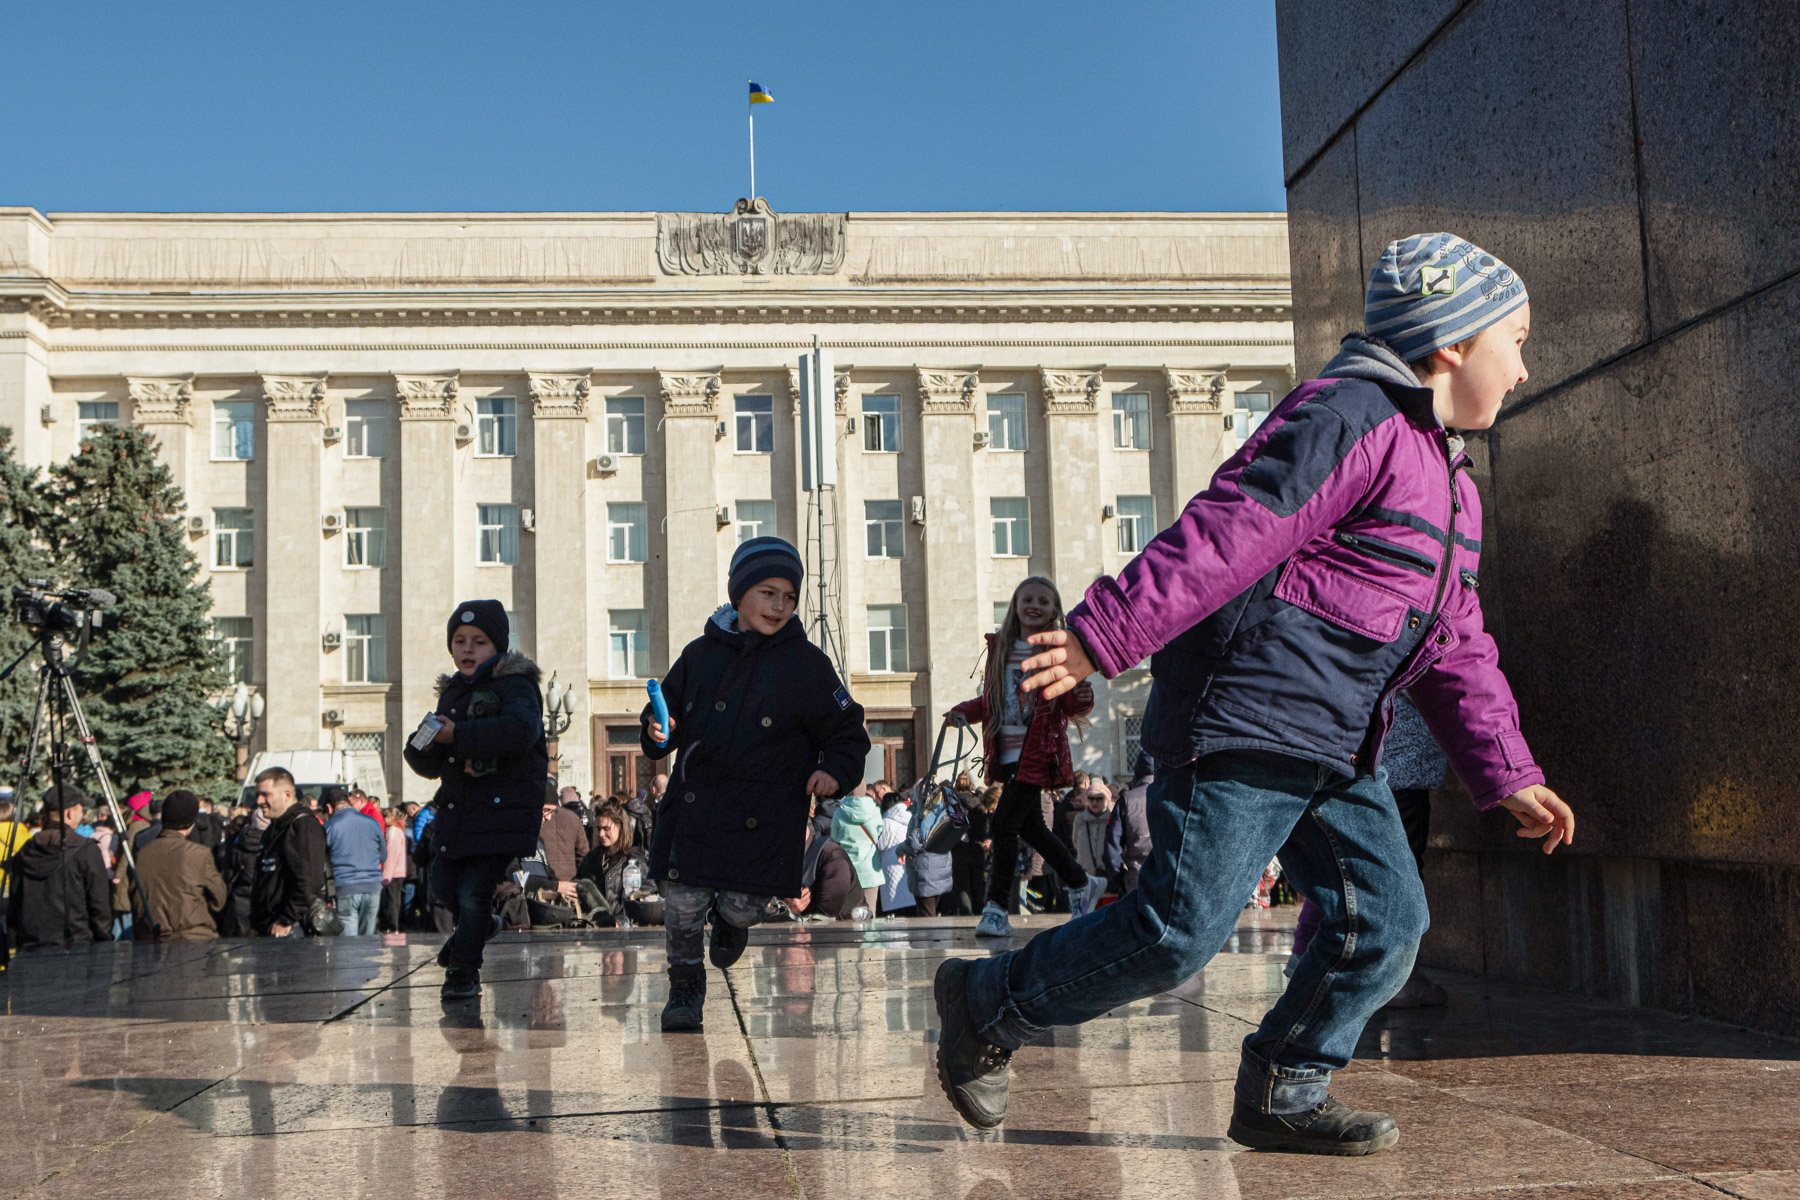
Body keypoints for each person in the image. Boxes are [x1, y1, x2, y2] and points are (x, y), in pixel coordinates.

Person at [931, 233, 1576, 1157]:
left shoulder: (1451, 487)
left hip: (1335, 744)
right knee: (1174, 934)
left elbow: (1456, 643)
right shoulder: (1348, 418)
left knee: (1387, 922)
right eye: (1516, 340)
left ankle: (1285, 1085)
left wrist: (1505, 769)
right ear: (1453, 341)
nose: (1524, 370)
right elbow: (1229, 532)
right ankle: (985, 1001)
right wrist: (1103, 633)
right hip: (1244, 720)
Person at [640, 536, 870, 1032]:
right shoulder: (699, 654)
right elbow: (667, 714)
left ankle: (730, 920)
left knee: (744, 908)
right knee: (680, 907)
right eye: (767, 592)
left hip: (763, 814)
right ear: (739, 592)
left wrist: (835, 770)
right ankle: (684, 987)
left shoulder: (806, 664)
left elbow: (849, 730)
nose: (778, 606)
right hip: (697, 809)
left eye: (788, 597)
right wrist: (658, 730)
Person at [403, 598, 547, 1000]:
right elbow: (430, 763)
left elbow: (520, 730)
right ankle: (480, 927)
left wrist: (457, 735)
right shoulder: (452, 693)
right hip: (458, 811)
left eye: (478, 641)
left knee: (474, 893)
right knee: (443, 887)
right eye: (460, 641)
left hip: (501, 812)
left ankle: (463, 972)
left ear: (497, 647)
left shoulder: (515, 685)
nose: (467, 650)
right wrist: (424, 742)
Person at [948, 577, 1104, 938]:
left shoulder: (1059, 652)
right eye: (1028, 599)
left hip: (1038, 753)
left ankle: (996, 908)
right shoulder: (1001, 648)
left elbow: (1069, 700)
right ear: (1015, 605)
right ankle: (1082, 882)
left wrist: (1081, 692)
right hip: (1006, 754)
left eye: (1044, 602)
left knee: (1004, 826)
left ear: (1055, 611)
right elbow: (990, 702)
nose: (1035, 606)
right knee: (1032, 828)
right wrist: (962, 711)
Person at [5, 785, 112, 949]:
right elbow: (100, 906)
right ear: (70, 812)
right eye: (81, 808)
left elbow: (15, 903)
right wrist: (104, 942)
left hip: (31, 947)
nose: (83, 813)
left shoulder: (25, 850)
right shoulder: (85, 850)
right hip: (76, 946)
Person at [133, 790, 227, 941]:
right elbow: (219, 899)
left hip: (151, 939)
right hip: (193, 940)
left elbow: (135, 899)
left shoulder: (141, 855)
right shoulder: (199, 854)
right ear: (192, 821)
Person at [249, 767, 328, 938]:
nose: (259, 801)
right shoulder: (275, 828)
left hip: (292, 931)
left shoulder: (303, 826)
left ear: (286, 794)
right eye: (257, 795)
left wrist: (286, 919)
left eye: (265, 795)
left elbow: (309, 883)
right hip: (268, 926)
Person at [575, 799, 653, 924]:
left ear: (620, 827)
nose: (601, 834)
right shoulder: (591, 858)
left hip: (625, 932)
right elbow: (579, 885)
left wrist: (621, 921)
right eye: (598, 828)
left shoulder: (634, 860)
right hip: (595, 930)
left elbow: (649, 896)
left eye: (606, 828)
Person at [323, 787, 385, 936]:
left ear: (329, 807)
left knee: (349, 945)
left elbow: (323, 861)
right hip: (373, 885)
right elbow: (383, 855)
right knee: (368, 941)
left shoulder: (329, 827)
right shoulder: (372, 822)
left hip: (346, 885)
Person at [783, 798, 858, 920]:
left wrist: (790, 911)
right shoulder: (779, 858)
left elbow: (825, 915)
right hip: (798, 933)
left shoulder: (832, 857)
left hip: (844, 934)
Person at [830, 784, 883, 916]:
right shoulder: (875, 810)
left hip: (847, 871)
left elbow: (834, 837)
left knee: (849, 915)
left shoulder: (839, 812)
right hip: (870, 870)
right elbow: (879, 834)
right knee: (871, 914)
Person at [904, 784, 956, 917]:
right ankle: (936, 938)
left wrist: (901, 848)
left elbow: (916, 842)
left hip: (925, 871)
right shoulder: (946, 811)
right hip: (941, 869)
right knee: (932, 913)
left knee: (926, 916)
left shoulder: (923, 813)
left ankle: (929, 938)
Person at [1105, 756, 1154, 894]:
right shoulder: (1173, 795)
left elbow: (1111, 850)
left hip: (1137, 878)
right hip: (1169, 878)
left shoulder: (1127, 800)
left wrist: (1121, 878)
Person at [950, 784, 999, 916]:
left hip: (959, 852)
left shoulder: (955, 805)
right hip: (979, 851)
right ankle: (979, 917)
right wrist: (988, 839)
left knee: (963, 889)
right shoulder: (981, 808)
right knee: (978, 888)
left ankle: (965, 918)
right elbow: (988, 829)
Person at [539, 786, 590, 898]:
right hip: (570, 887)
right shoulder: (573, 818)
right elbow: (584, 855)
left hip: (543, 889)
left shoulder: (536, 820)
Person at [877, 792, 916, 915]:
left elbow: (881, 845)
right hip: (908, 862)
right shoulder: (910, 817)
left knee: (894, 902)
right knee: (909, 899)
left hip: (891, 865)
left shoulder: (886, 821)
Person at [1070, 780, 1113, 884]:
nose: (1094, 802)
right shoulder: (1080, 819)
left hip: (1108, 877)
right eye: (1091, 798)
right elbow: (1075, 842)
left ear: (1106, 800)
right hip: (1086, 878)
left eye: (1099, 799)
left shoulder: (1113, 819)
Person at [379, 807, 409, 932]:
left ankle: (392, 926)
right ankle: (395, 925)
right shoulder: (400, 830)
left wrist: (386, 876)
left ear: (390, 818)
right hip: (399, 871)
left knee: (390, 901)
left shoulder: (392, 831)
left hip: (392, 873)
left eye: (385, 817)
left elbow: (390, 854)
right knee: (396, 900)